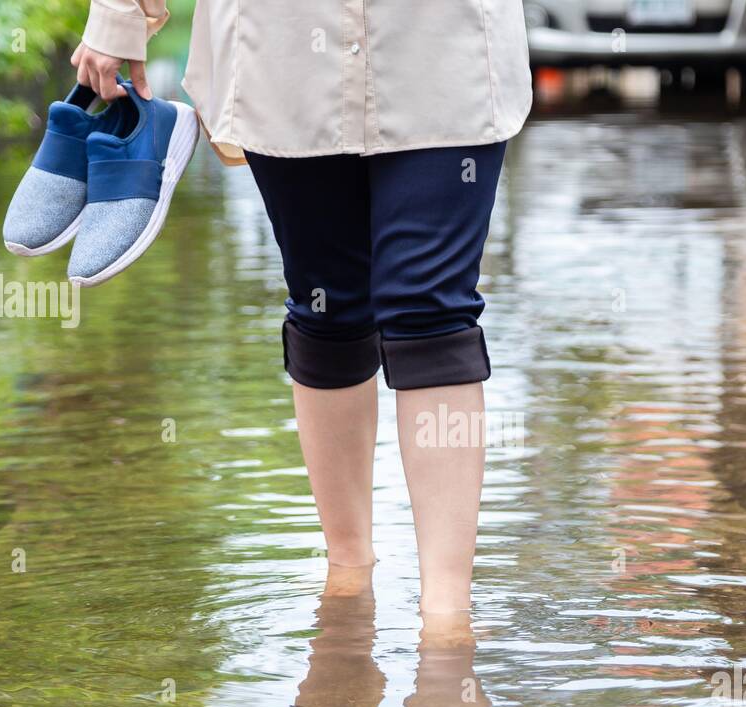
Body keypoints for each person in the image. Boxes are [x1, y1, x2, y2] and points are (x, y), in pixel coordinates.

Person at [71, 0, 532, 614]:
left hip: (441, 40)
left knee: (432, 309)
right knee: (327, 305)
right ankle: (347, 573)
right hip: (282, 45)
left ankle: (447, 617)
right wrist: (121, 15)